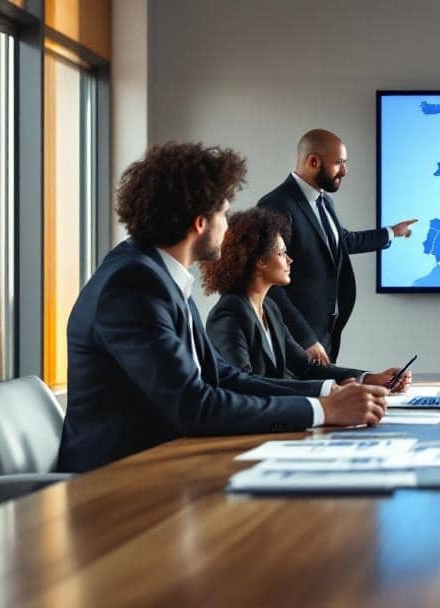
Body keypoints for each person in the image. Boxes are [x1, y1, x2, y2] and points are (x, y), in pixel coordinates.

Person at [58, 142, 388, 474]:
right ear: (200, 222)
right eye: (225, 215)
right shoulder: (133, 285)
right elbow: (194, 405)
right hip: (116, 483)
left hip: (164, 464)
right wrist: (323, 411)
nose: (229, 228)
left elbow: (224, 377)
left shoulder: (159, 275)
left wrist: (327, 393)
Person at [202, 207, 411, 390]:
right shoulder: (229, 313)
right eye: (283, 253)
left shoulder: (270, 309)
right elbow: (243, 384)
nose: (290, 259)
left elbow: (306, 367)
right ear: (260, 261)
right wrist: (328, 391)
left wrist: (368, 378)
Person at [257, 129, 417, 364]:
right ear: (313, 161)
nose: (345, 170)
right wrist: (306, 338)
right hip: (298, 337)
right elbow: (269, 283)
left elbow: (342, 242)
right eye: (339, 163)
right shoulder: (276, 205)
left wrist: (392, 232)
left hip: (327, 332)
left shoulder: (324, 202)